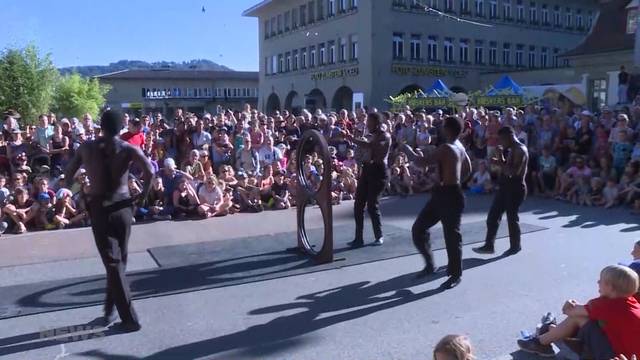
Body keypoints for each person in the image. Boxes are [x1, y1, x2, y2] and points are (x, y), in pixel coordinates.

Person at [65, 110, 153, 333]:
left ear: (101, 127)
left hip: (99, 207)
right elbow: (150, 171)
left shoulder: (86, 148)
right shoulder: (127, 148)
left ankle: (129, 318)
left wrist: (80, 194)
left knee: (113, 263)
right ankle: (109, 311)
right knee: (117, 261)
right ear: (120, 127)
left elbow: (67, 175)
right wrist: (140, 198)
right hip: (123, 206)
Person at [400, 116, 471, 289]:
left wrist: (407, 149)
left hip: (449, 195)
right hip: (446, 193)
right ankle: (431, 265)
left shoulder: (446, 148)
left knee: (452, 236)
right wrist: (452, 180)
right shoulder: (460, 147)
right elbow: (468, 169)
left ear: (448, 129)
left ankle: (455, 274)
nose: (440, 128)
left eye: (443, 126)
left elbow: (421, 162)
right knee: (419, 228)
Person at [517, 265, 640, 359]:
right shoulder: (632, 302)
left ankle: (539, 342)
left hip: (614, 356)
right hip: (630, 354)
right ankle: (550, 330)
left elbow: (570, 311)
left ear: (611, 287)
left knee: (578, 319)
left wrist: (569, 303)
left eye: (601, 280)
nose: (598, 282)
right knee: (589, 319)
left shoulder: (606, 305)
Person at [473, 126, 529, 256]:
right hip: (505, 187)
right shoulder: (512, 149)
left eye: (501, 140)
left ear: (509, 137)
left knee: (511, 218)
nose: (500, 143)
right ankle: (489, 245)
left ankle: (515, 246)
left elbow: (513, 172)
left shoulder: (520, 150)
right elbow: (508, 167)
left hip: (515, 188)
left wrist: (499, 159)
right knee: (493, 216)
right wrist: (499, 160)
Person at [346, 112, 391, 247]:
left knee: (372, 205)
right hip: (367, 170)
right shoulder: (372, 136)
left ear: (377, 124)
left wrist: (352, 139)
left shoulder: (384, 136)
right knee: (358, 204)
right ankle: (358, 238)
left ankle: (379, 235)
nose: (367, 125)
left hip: (379, 172)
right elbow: (367, 146)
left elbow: (372, 146)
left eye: (369, 123)